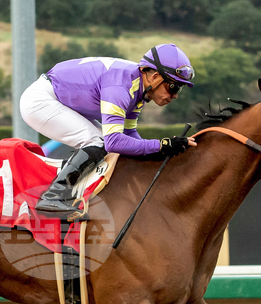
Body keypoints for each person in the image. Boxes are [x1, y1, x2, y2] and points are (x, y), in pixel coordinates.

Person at [21, 43, 198, 219]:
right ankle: (53, 196)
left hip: (59, 99)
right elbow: (114, 142)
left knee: (105, 144)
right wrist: (162, 145)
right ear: (155, 77)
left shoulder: (139, 91)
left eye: (179, 89)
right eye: (173, 87)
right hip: (41, 101)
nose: (175, 95)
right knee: (99, 142)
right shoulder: (121, 87)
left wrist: (161, 152)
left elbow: (129, 136)